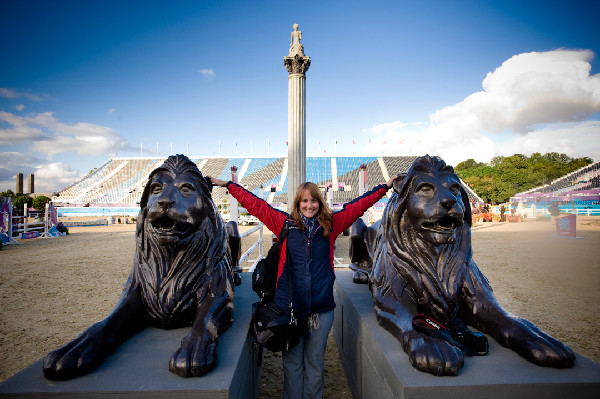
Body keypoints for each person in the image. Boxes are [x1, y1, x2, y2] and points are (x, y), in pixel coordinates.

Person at [208, 175, 398, 399]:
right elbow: (255, 205)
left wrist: (384, 187)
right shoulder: (283, 224)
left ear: (320, 202)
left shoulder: (332, 225)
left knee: (315, 363)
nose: (309, 205)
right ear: (298, 204)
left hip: (321, 311)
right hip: (290, 311)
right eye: (304, 201)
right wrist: (229, 186)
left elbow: (358, 205)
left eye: (314, 201)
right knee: (292, 364)